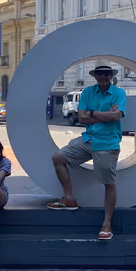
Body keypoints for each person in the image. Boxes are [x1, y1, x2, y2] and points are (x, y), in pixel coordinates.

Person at [48, 64, 126, 241]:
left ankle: (107, 223)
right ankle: (69, 198)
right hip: (88, 139)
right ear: (96, 76)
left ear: (111, 76)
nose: (104, 77)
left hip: (108, 141)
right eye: (101, 74)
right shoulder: (87, 92)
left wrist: (92, 113)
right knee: (58, 157)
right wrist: (104, 113)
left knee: (108, 182)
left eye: (108, 74)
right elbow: (81, 118)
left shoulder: (119, 93)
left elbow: (116, 116)